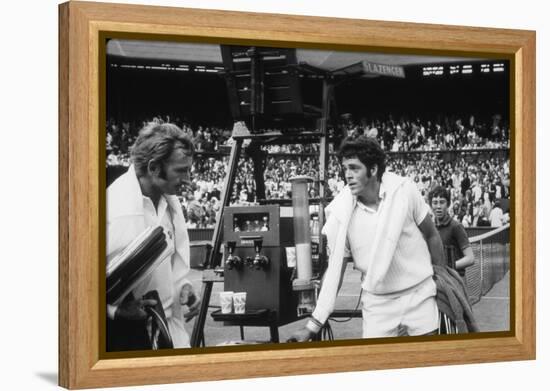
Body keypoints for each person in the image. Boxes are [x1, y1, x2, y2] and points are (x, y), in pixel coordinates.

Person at [290, 136, 446, 341]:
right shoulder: (341, 213)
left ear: (373, 170)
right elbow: (335, 269)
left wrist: (441, 281)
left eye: (355, 168)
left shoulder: (405, 190)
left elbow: (432, 234)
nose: (348, 175)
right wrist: (313, 324)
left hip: (420, 295)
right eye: (345, 169)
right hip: (377, 304)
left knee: (430, 364)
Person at [106, 122, 201, 351]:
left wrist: (184, 287)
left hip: (168, 332)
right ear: (154, 168)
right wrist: (114, 311)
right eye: (180, 170)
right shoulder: (113, 207)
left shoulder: (170, 202)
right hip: (126, 338)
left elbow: (170, 266)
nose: (188, 179)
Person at [429, 186, 475, 277]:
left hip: (456, 281)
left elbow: (470, 258)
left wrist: (447, 267)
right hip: (439, 282)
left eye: (442, 202)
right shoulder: (430, 228)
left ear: (448, 204)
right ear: (430, 205)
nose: (438, 206)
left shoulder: (456, 227)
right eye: (435, 203)